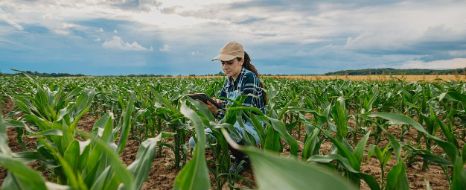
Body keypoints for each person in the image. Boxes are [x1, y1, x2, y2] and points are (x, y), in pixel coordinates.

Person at [189, 41, 267, 172]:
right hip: (232, 124)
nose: (225, 67)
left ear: (240, 61)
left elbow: (242, 115)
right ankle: (233, 151)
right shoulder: (229, 80)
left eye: (229, 62)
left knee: (228, 131)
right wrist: (213, 105)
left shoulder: (249, 77)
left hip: (250, 126)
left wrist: (217, 112)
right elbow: (224, 105)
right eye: (222, 63)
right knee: (195, 140)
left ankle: (244, 158)